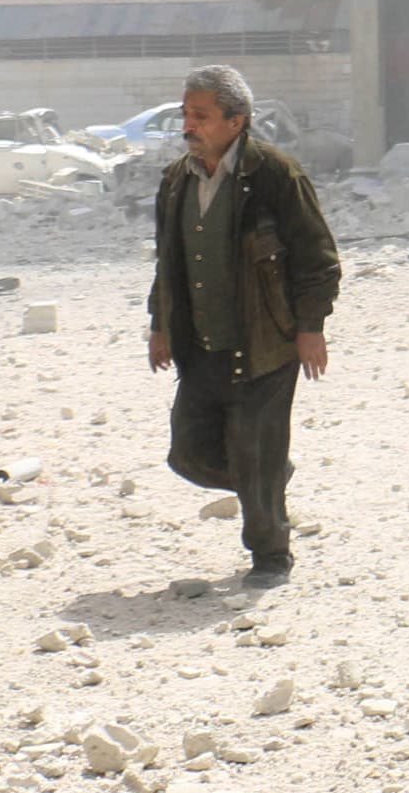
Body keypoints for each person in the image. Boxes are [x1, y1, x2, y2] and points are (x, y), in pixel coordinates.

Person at [145, 65, 339, 586]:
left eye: (201, 116)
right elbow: (168, 260)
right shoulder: (176, 181)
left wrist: (310, 327)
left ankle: (271, 555)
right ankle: (268, 482)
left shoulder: (275, 175)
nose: (189, 125)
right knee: (188, 454)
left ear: (237, 121)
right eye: (186, 114)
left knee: (256, 451)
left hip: (265, 343)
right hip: (200, 345)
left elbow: (317, 257)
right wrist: (159, 324)